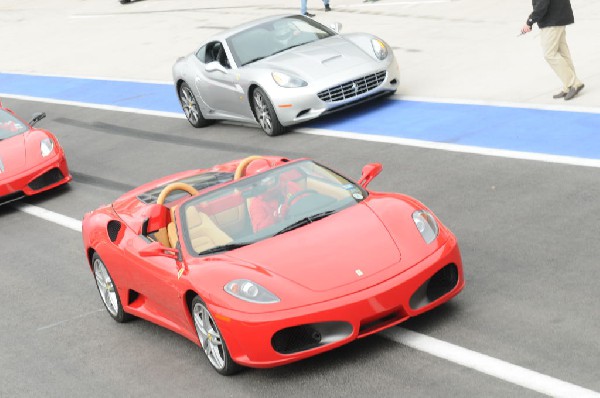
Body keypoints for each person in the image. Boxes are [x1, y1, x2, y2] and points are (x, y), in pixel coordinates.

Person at [521, 0, 584, 101]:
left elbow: (542, 4)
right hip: (559, 17)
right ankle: (569, 86)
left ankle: (574, 83)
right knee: (563, 53)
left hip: (551, 21)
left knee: (549, 54)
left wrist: (530, 21)